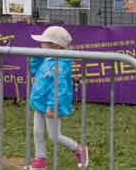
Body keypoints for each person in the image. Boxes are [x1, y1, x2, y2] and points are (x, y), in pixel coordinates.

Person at [26, 26, 90, 169]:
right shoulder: (48, 58)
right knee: (37, 131)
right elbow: (35, 72)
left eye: (44, 42)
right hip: (39, 103)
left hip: (51, 106)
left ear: (54, 45)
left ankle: (79, 149)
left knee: (54, 136)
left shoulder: (60, 64)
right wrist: (36, 57)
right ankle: (40, 159)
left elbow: (59, 89)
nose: (40, 44)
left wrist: (52, 106)